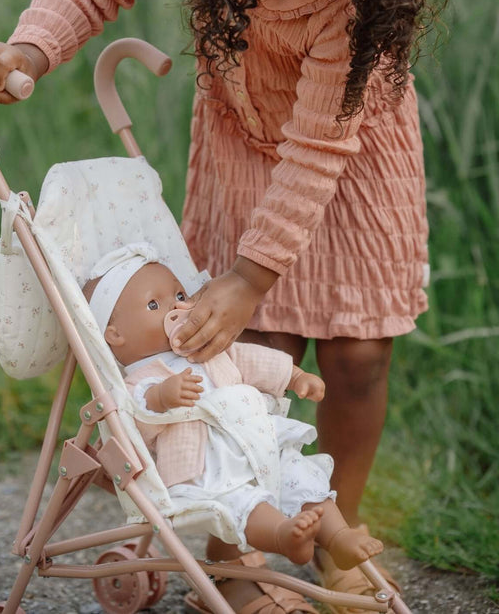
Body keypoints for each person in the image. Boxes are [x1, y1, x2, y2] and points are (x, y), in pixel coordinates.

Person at [0, 0, 448, 613]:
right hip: (237, 154)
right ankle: (231, 549)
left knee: (361, 354)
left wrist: (255, 273)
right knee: (248, 349)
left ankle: (334, 531)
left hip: (346, 162)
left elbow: (317, 147)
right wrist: (32, 47)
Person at [83, 244, 384, 577]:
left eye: (179, 295)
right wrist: (160, 398)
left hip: (260, 443)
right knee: (239, 502)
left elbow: (250, 359)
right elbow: (131, 423)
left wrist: (295, 376)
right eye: (154, 305)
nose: (176, 308)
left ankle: (338, 537)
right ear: (116, 335)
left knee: (299, 474)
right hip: (207, 468)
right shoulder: (139, 381)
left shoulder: (203, 348)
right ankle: (284, 537)